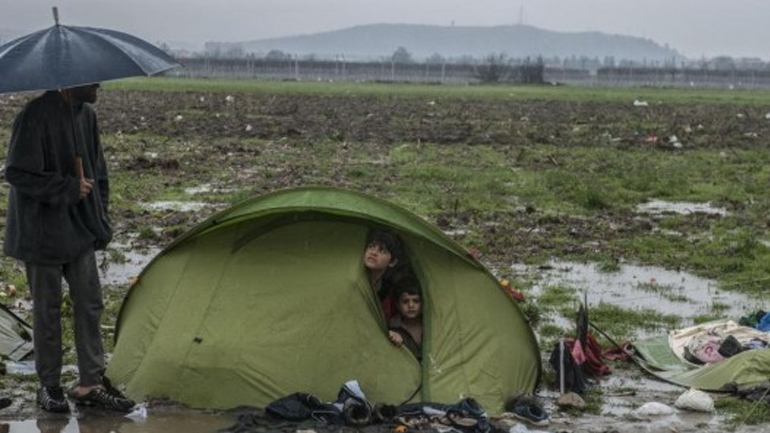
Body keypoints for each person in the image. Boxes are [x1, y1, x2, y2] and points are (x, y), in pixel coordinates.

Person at [4, 84, 134, 413]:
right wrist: (66, 187)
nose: (98, 85)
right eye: (92, 80)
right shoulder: (33, 116)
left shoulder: (86, 115)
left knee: (89, 304)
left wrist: (99, 215)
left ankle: (90, 382)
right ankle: (49, 386)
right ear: (70, 81)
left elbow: (98, 172)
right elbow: (17, 173)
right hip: (40, 232)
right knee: (46, 313)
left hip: (79, 229)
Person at [362, 228, 406, 319]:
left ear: (392, 262)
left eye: (382, 251)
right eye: (371, 246)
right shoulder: (354, 278)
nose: (373, 253)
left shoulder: (385, 289)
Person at [387, 280, 423, 361]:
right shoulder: (393, 328)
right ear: (397, 305)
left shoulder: (430, 325)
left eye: (416, 301)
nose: (411, 305)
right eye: (405, 301)